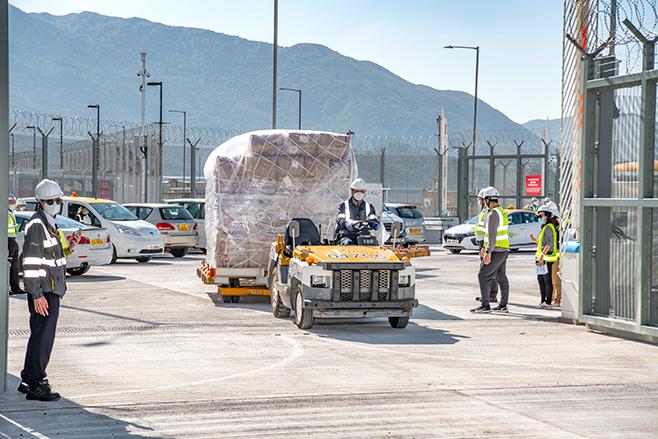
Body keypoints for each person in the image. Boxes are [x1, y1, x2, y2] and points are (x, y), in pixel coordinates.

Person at [19, 179, 81, 401]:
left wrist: (70, 247)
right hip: (44, 291)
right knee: (43, 337)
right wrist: (36, 295)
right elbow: (31, 262)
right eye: (50, 201)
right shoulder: (38, 225)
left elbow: (53, 258)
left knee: (39, 335)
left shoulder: (49, 224)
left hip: (50, 289)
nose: (55, 204)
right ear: (40, 202)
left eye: (57, 200)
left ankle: (28, 378)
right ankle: (37, 383)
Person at [472, 187, 510, 313]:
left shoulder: (492, 214)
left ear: (487, 200)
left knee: (483, 275)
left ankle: (485, 305)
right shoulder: (501, 212)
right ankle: (503, 305)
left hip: (495, 250)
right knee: (501, 277)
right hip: (503, 249)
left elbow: (492, 235)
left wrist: (488, 252)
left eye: (483, 200)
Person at [530, 202, 560, 309]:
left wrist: (542, 257)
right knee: (541, 280)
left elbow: (549, 243)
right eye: (538, 216)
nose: (539, 218)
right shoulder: (545, 227)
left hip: (546, 258)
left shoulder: (549, 227)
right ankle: (543, 301)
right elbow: (544, 242)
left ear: (547, 215)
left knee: (546, 281)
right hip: (543, 258)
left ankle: (547, 302)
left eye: (541, 216)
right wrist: (536, 241)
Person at [336, 178, 379, 245]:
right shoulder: (343, 205)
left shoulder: (369, 206)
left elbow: (373, 219)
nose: (359, 193)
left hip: (364, 236)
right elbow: (340, 220)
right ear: (352, 191)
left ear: (365, 192)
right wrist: (347, 224)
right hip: (347, 236)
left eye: (362, 191)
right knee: (348, 244)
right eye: (357, 191)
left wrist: (376, 223)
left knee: (374, 244)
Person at [474, 187, 498, 304]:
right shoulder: (484, 211)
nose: (479, 201)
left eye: (480, 199)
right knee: (485, 269)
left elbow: (489, 231)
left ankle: (491, 295)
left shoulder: (489, 212)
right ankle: (486, 294)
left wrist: (484, 246)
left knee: (488, 270)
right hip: (481, 242)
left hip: (485, 243)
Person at [7, 194, 24, 295]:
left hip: (13, 240)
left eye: (14, 202)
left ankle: (15, 287)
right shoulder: (4, 214)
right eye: (11, 202)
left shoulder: (11, 214)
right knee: (7, 267)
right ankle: (6, 287)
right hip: (8, 241)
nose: (13, 204)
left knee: (15, 267)